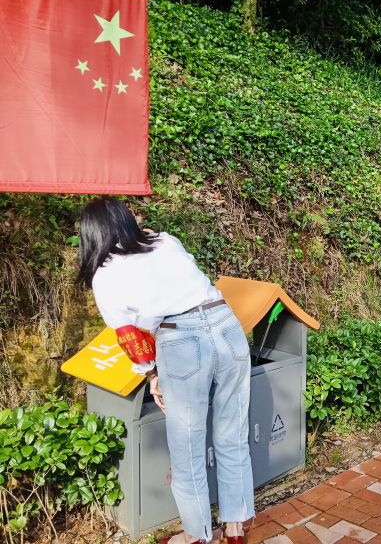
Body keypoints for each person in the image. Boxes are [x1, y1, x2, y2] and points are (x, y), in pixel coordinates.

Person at [77, 198, 252, 544]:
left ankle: (198, 536)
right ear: (126, 221)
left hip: (182, 341)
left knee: (187, 446)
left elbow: (129, 336)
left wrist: (151, 375)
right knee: (233, 433)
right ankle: (234, 529)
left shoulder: (105, 275)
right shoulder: (164, 240)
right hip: (226, 324)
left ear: (91, 235)